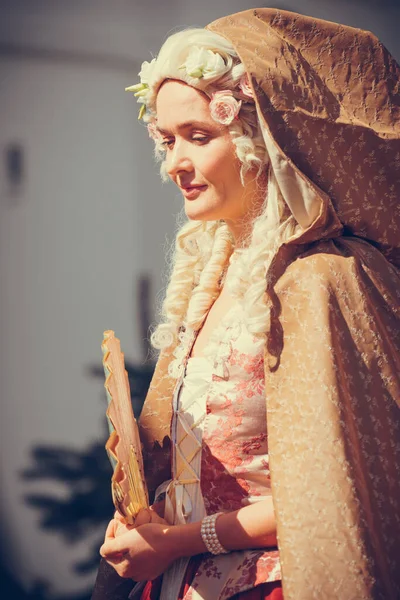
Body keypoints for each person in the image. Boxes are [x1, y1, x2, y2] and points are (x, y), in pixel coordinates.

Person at [92, 8, 400, 600]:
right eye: (167, 140)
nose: (175, 163)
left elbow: (337, 494)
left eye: (198, 137)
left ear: (259, 139)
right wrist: (148, 520)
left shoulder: (321, 280)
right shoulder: (212, 277)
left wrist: (182, 540)